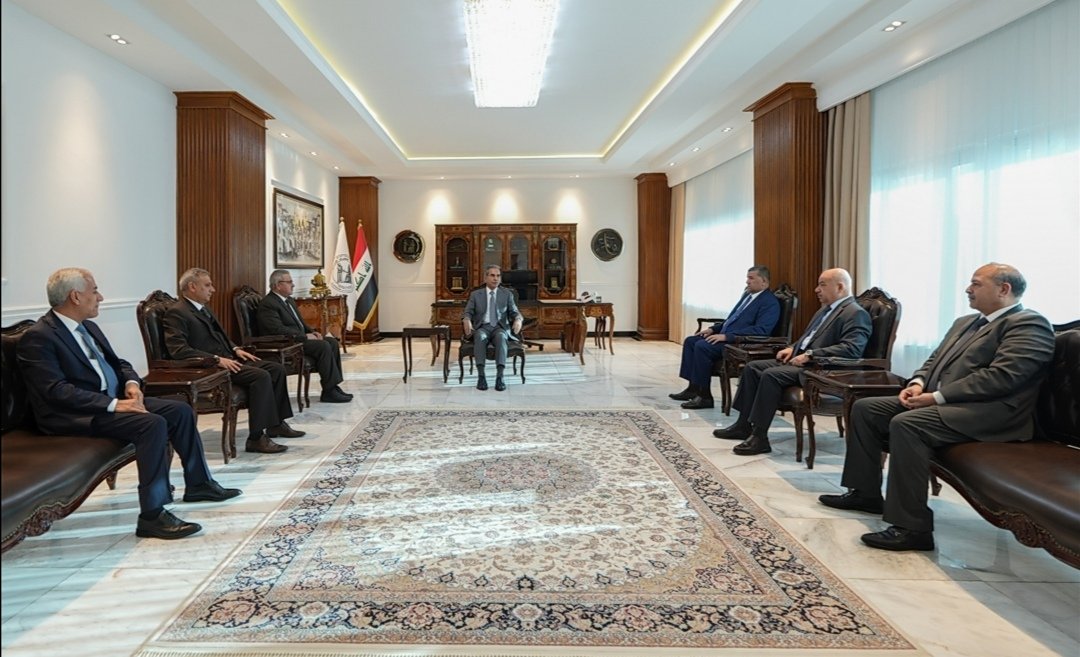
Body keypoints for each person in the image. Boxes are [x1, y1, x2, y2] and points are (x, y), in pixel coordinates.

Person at [819, 263, 1054, 552]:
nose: (968, 289)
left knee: (908, 424)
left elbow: (1003, 377)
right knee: (867, 409)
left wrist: (937, 397)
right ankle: (865, 494)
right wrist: (918, 383)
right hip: (948, 403)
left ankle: (912, 527)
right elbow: (933, 360)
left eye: (976, 283)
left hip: (992, 413)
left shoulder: (1028, 324)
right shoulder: (965, 322)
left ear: (1004, 289)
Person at [16, 268, 241, 540]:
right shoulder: (40, 337)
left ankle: (199, 484)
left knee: (179, 410)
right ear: (75, 296)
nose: (100, 297)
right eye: (95, 291)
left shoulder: (88, 327)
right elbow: (55, 391)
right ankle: (152, 515)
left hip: (109, 402)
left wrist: (132, 384)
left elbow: (119, 363)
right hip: (73, 414)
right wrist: (113, 404)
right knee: (151, 424)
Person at [714, 268, 871, 455]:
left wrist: (810, 355)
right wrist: (792, 347)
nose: (816, 290)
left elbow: (852, 349)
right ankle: (743, 425)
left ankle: (760, 437)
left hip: (822, 368)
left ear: (840, 287)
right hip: (802, 361)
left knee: (771, 375)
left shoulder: (855, 313)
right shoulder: (825, 310)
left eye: (822, 285)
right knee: (752, 368)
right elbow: (809, 338)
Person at [163, 267, 304, 455]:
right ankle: (256, 438)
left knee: (276, 369)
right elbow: (178, 350)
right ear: (192, 287)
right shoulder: (177, 312)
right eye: (208, 285)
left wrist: (236, 349)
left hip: (229, 359)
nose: (213, 289)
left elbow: (220, 336)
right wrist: (216, 360)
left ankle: (276, 424)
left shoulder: (204, 308)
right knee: (261, 376)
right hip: (210, 368)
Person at [669, 266, 781, 409]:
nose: (747, 281)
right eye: (747, 278)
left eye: (751, 278)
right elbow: (731, 320)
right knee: (691, 341)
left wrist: (727, 336)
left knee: (702, 347)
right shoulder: (747, 296)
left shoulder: (769, 302)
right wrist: (713, 329)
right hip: (727, 338)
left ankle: (705, 397)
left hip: (740, 344)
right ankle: (693, 388)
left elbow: (762, 330)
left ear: (764, 282)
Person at [255, 269, 353, 404]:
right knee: (323, 346)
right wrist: (305, 336)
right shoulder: (268, 304)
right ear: (278, 285)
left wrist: (312, 332)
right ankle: (329, 391)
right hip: (287, 342)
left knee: (332, 342)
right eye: (289, 282)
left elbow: (300, 322)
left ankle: (333, 387)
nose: (293, 284)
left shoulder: (288, 300)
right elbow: (276, 329)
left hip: (297, 338)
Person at [462, 265, 522, 391]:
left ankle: (500, 377)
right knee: (480, 336)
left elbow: (515, 312)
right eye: (492, 275)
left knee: (501, 337)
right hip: (483, 327)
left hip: (499, 327)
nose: (496, 279)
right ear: (485, 278)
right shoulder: (476, 295)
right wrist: (466, 319)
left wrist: (518, 319)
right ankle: (481, 376)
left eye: (498, 276)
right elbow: (468, 312)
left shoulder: (507, 294)